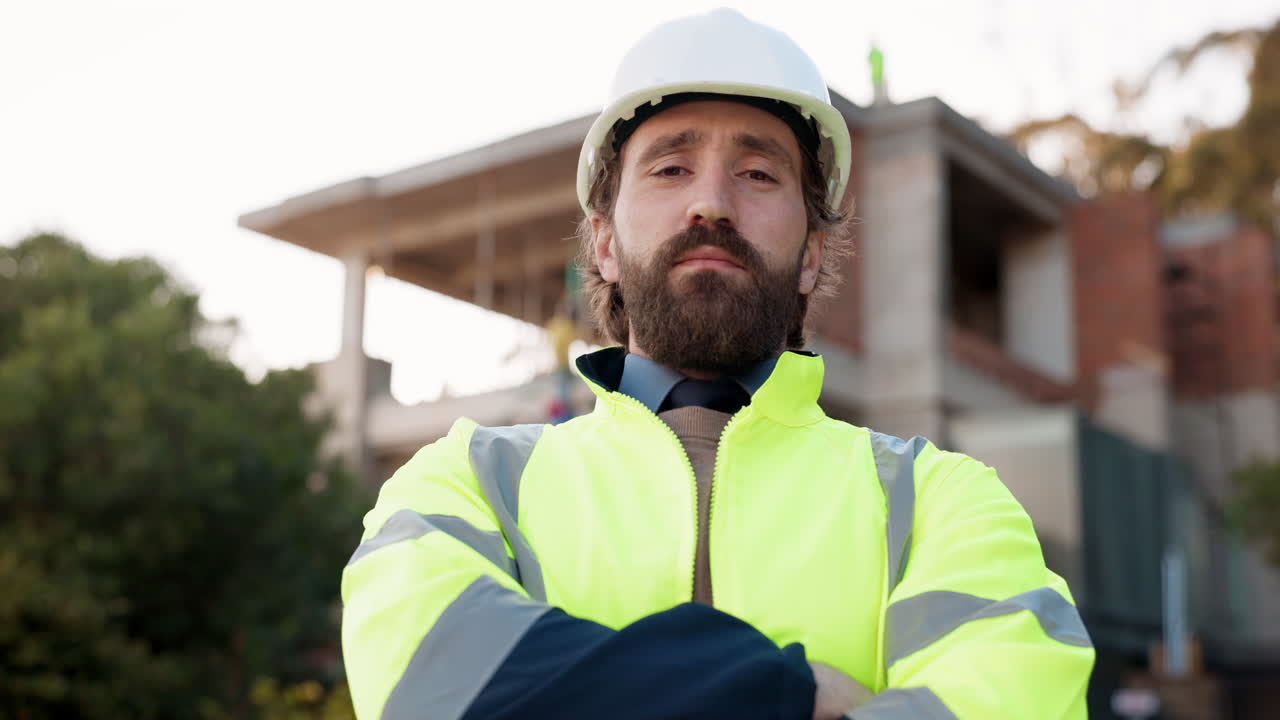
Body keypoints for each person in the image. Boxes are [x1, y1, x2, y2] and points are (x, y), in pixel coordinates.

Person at [341, 8, 1094, 719]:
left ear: (811, 255)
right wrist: (783, 690)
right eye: (670, 169)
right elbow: (428, 683)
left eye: (759, 174)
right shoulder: (467, 480)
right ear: (603, 243)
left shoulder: (940, 502)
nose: (713, 203)